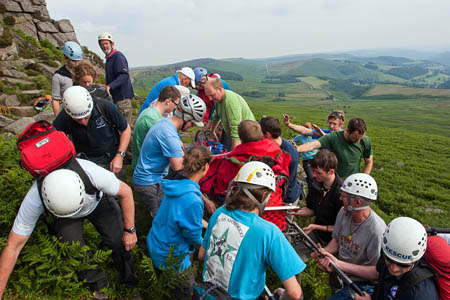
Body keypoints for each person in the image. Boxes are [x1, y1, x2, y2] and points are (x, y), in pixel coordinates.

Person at [0, 161, 139, 300]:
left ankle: (130, 283)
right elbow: (14, 245)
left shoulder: (93, 174)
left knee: (117, 241)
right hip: (65, 218)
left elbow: (126, 192)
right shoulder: (35, 198)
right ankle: (98, 284)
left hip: (98, 202)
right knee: (73, 248)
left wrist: (130, 231)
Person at [198, 161, 305, 300]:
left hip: (209, 293)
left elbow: (202, 254)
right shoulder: (269, 232)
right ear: (263, 196)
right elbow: (295, 294)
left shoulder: (219, 213)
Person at [147, 146, 212, 299]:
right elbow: (192, 235)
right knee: (185, 292)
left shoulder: (173, 185)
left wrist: (204, 223)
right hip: (172, 256)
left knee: (165, 285)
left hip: (156, 243)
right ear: (205, 167)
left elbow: (177, 214)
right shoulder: (193, 200)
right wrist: (205, 242)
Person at [312, 173, 386, 300]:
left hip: (364, 284)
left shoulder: (376, 231)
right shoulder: (344, 212)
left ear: (356, 202)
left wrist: (339, 265)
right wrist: (324, 253)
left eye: (344, 196)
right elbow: (337, 240)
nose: (340, 198)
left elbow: (377, 272)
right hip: (344, 275)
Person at [133, 95, 206, 218]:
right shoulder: (169, 134)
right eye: (192, 124)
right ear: (187, 118)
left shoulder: (166, 124)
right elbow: (181, 171)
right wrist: (203, 198)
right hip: (150, 182)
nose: (191, 127)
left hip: (153, 177)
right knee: (163, 219)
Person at [354, 217, 439, 300]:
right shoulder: (387, 251)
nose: (394, 269)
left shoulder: (420, 293)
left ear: (416, 260)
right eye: (389, 260)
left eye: (403, 265)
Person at [53, 86, 131, 174]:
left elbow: (125, 129)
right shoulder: (65, 116)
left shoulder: (104, 106)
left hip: (111, 159)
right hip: (84, 161)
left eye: (86, 117)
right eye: (78, 119)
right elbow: (54, 137)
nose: (82, 121)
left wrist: (120, 155)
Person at [289, 149, 343, 261]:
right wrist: (291, 211)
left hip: (337, 240)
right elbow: (311, 210)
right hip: (317, 234)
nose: (314, 175)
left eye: (318, 172)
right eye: (313, 171)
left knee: (335, 269)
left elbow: (342, 228)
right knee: (293, 258)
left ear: (331, 172)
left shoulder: (341, 194)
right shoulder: (315, 185)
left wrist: (315, 226)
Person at [296, 118, 373, 179]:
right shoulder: (334, 137)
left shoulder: (365, 141)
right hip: (334, 182)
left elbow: (368, 162)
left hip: (352, 182)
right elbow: (313, 145)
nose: (358, 141)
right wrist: (296, 149)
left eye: (360, 138)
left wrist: (363, 179)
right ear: (347, 131)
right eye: (355, 138)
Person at [131, 85, 181, 169]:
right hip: (145, 166)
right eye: (176, 104)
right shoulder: (152, 118)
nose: (176, 107)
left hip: (145, 162)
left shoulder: (151, 112)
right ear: (168, 101)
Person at [204, 77, 255, 150]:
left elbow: (236, 129)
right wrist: (212, 131)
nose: (210, 99)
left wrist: (234, 155)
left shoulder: (230, 102)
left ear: (220, 89)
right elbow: (216, 115)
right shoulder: (218, 100)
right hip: (237, 135)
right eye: (208, 96)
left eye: (212, 95)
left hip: (248, 137)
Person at [259, 116, 301, 203]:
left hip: (286, 198)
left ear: (267, 134)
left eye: (261, 133)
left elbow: (288, 183)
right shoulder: (279, 145)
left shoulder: (290, 154)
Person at [98, 32, 134, 123]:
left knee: (123, 126)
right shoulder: (109, 58)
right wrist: (106, 86)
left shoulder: (118, 56)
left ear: (112, 44)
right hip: (117, 99)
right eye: (102, 44)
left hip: (122, 100)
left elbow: (124, 75)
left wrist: (110, 86)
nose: (104, 46)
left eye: (106, 43)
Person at [51, 41, 83, 116]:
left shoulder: (82, 73)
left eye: (78, 61)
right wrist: (58, 119)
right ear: (65, 58)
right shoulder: (58, 76)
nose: (77, 63)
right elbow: (55, 99)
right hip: (67, 113)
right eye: (73, 61)